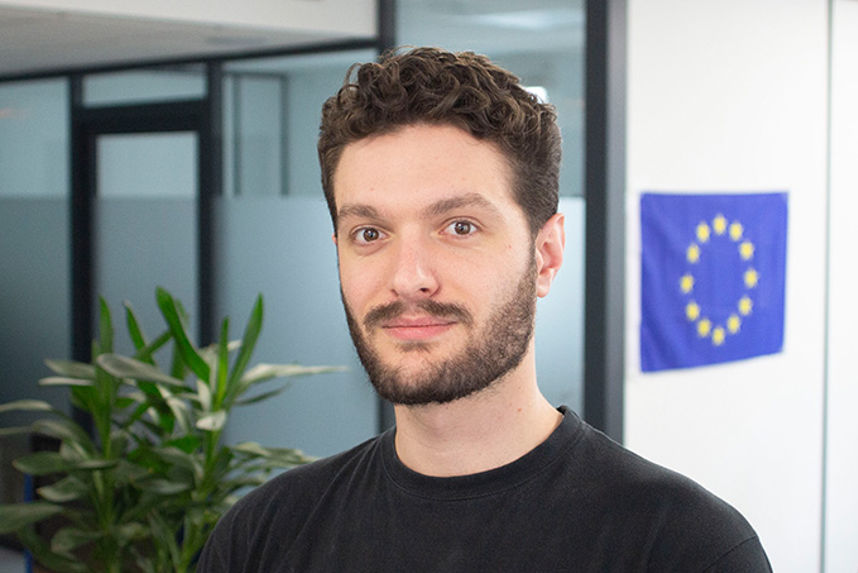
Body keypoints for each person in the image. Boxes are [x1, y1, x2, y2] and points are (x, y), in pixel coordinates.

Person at [198, 47, 771, 572]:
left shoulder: (685, 550)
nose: (408, 278)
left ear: (546, 255)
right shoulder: (263, 537)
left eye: (459, 227)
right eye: (370, 233)